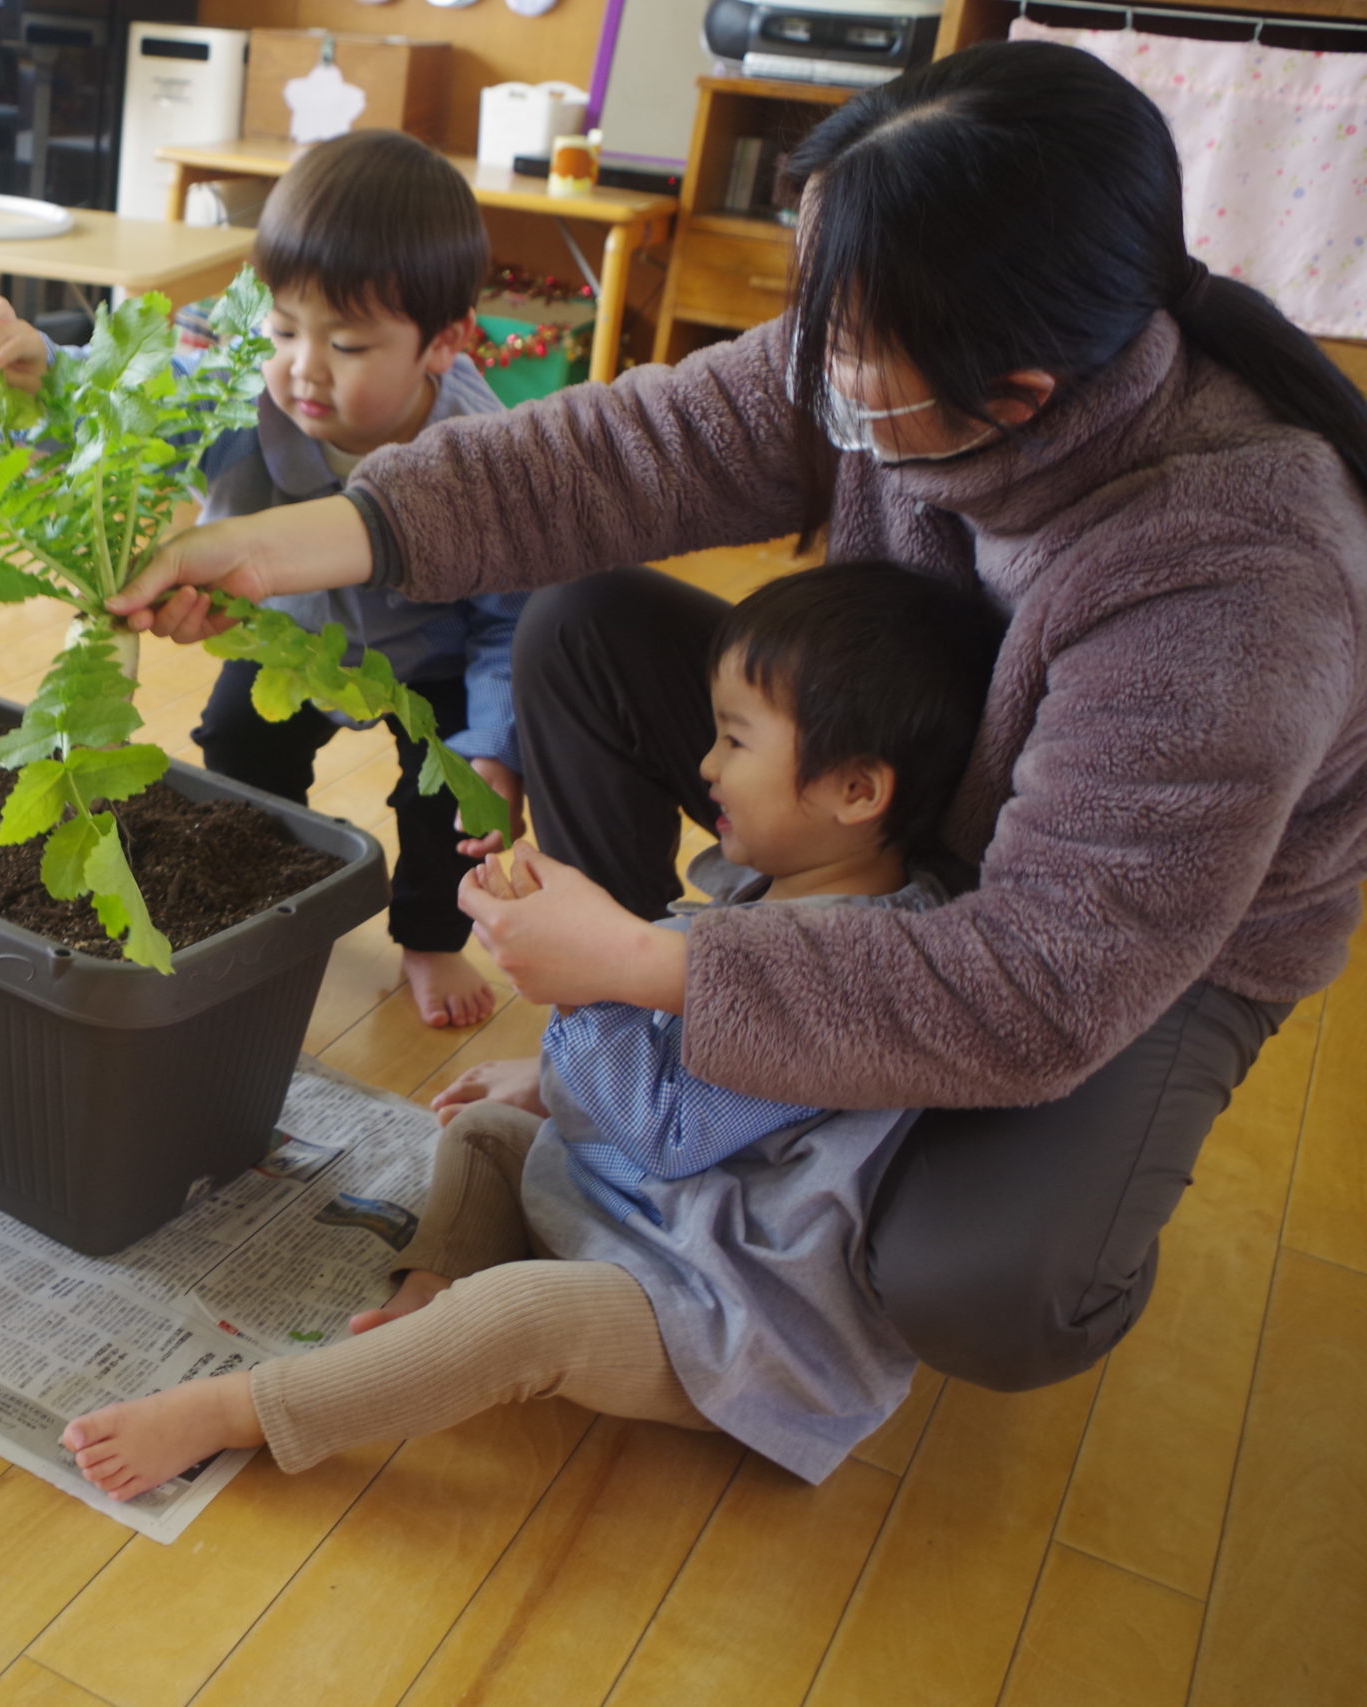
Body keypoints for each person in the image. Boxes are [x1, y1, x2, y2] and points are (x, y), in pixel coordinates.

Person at [101, 40, 1367, 1395]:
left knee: (980, 1282)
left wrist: (655, 966)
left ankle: (697, 1048)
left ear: (1013, 400)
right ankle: (641, 1068)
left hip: (1130, 939)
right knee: (578, 628)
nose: (805, 360)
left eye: (843, 340)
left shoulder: (1240, 574)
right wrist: (296, 538)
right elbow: (607, 453)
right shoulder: (905, 351)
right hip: (899, 788)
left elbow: (1044, 983)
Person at [63, 563, 1000, 1498]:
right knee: (483, 1132)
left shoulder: (842, 979)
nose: (707, 764)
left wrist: (589, 983)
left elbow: (667, 1131)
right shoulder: (793, 895)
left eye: (735, 739)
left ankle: (248, 1409)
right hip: (663, 1210)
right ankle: (430, 1301)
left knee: (519, 1318)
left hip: (721, 1307)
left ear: (856, 790)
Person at [0, 129, 528, 1028]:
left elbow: (509, 621)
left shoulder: (481, 456)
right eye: (282, 329)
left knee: (447, 799)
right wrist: (45, 374)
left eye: (348, 344)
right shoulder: (237, 394)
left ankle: (430, 936)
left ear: (445, 343)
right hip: (285, 638)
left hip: (431, 660)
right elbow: (132, 402)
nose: (303, 368)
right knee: (239, 743)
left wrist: (493, 743)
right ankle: (278, 892)